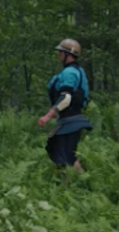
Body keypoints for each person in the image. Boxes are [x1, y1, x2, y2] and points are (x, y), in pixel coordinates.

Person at [38, 39, 92, 173]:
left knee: (67, 156)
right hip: (66, 120)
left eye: (61, 52)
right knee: (57, 151)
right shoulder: (71, 71)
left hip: (71, 120)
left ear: (68, 54)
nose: (59, 55)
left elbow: (66, 98)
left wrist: (47, 116)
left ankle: (82, 182)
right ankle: (66, 185)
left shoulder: (70, 73)